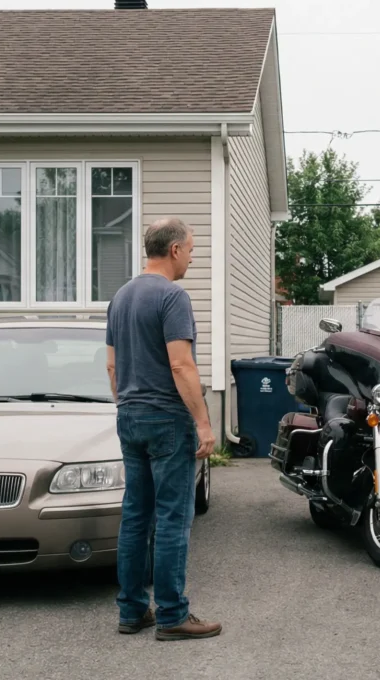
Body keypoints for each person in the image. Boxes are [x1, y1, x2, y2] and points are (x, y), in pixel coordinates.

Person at [105, 217, 221, 641]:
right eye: (190, 250)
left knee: (136, 516)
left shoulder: (120, 297)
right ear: (174, 250)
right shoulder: (173, 296)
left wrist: (127, 406)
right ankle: (172, 615)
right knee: (173, 517)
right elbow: (180, 364)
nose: (191, 258)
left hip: (130, 415)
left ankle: (132, 611)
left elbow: (112, 366)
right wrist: (203, 423)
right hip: (167, 419)